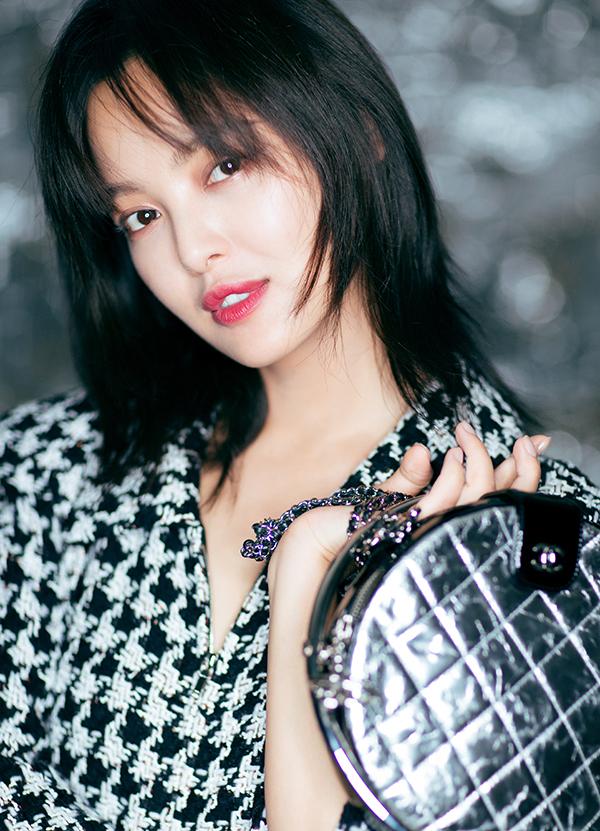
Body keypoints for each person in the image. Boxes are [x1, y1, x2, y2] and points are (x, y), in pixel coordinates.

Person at [1, 0, 598, 829]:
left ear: (359, 127)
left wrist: (305, 588)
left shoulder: (534, 550)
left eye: (224, 165)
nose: (192, 251)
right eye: (141, 214)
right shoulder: (41, 471)